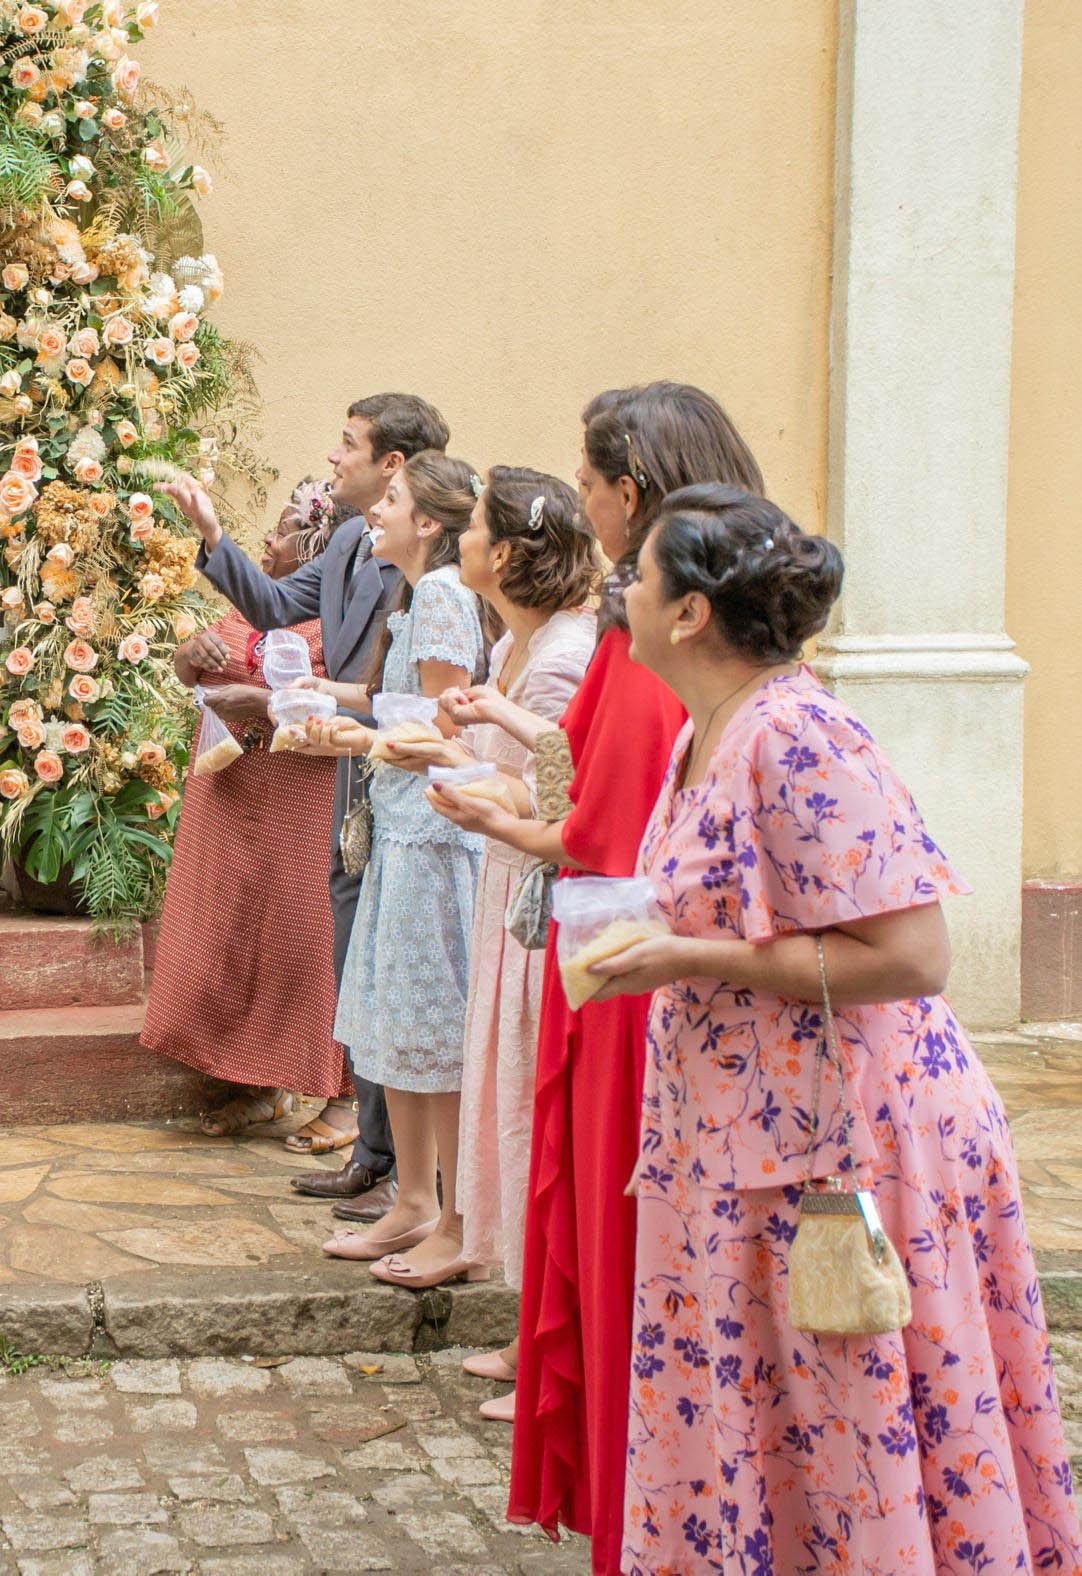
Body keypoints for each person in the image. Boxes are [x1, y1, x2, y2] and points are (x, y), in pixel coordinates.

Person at [593, 485, 1082, 1571]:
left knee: (847, 1434)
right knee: (768, 1437)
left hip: (843, 1151)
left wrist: (689, 958)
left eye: (637, 573)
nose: (617, 588)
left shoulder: (797, 731)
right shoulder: (705, 728)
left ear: (689, 615)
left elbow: (913, 956)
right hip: (742, 1149)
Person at [434, 382, 763, 1574]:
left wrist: (528, 827)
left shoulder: (655, 641)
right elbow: (597, 816)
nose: (582, 512)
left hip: (641, 991)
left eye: (586, 486)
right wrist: (521, 822)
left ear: (628, 496)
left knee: (643, 1278)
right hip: (629, 958)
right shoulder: (667, 636)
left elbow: (614, 836)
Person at [169, 392, 449, 1223]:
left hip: (396, 777)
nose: (335, 457)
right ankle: (371, 1156)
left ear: (392, 465)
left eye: (349, 443)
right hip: (347, 779)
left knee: (384, 963)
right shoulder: (353, 552)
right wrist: (213, 537)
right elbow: (272, 608)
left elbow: (424, 696)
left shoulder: (440, 571)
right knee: (352, 960)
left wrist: (337, 704)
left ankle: (407, 1171)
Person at [406, 469, 599, 1410]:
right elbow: (501, 766)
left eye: (473, 528)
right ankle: (532, 1333)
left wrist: (460, 776)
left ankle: (552, 1353)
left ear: (510, 555)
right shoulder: (520, 646)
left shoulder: (561, 658)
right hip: (503, 885)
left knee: (527, 1109)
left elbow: (556, 796)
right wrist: (436, 751)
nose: (460, 542)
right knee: (506, 1103)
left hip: (532, 899)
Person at [280, 453, 485, 1273]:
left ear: (427, 523)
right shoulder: (416, 594)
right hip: (404, 834)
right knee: (397, 1030)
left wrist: (360, 741)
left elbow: (449, 737)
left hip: (431, 840)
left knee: (429, 1031)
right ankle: (414, 1202)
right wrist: (326, 698)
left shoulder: (439, 595)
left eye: (392, 499)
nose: (377, 510)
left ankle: (450, 1215)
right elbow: (401, 702)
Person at [139, 483, 348, 1138]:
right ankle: (253, 1085)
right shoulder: (245, 606)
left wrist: (254, 704)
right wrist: (186, 658)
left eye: (282, 531)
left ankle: (340, 1095)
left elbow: (345, 705)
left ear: (313, 549)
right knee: (228, 943)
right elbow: (193, 669)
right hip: (225, 797)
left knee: (303, 947)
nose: (268, 540)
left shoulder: (337, 627)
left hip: (298, 799)